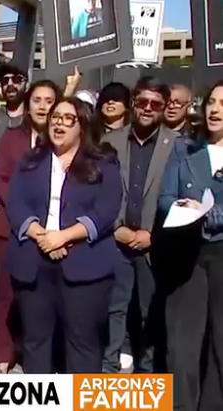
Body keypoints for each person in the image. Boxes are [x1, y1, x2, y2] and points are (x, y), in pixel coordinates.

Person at [6, 97, 122, 373]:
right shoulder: (31, 160)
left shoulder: (102, 161)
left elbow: (106, 209)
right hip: (34, 262)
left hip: (85, 265)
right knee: (36, 343)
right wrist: (42, 236)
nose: (58, 124)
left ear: (82, 124)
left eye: (67, 118)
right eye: (55, 117)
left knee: (83, 345)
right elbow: (16, 203)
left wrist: (64, 236)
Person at [101, 76, 179, 373]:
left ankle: (147, 376)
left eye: (155, 104)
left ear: (164, 108)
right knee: (114, 310)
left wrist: (154, 235)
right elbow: (102, 191)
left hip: (153, 245)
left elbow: (181, 198)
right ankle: (108, 372)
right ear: (134, 102)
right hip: (116, 240)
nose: (147, 108)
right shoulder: (111, 141)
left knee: (150, 314)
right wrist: (116, 226)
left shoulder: (178, 145)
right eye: (142, 102)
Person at [158, 80, 223, 411]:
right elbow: (165, 198)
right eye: (211, 102)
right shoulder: (185, 149)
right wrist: (181, 208)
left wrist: (215, 213)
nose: (214, 109)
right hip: (188, 253)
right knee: (183, 344)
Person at [0, 80, 62, 374]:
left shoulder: (62, 138)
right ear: (28, 105)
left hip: (53, 230)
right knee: (6, 294)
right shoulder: (11, 137)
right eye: (37, 100)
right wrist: (24, 213)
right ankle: (4, 352)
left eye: (49, 100)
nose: (43, 106)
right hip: (12, 228)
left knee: (48, 298)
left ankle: (48, 353)